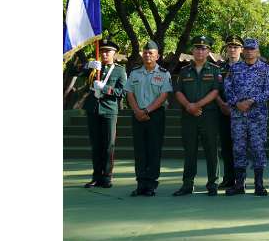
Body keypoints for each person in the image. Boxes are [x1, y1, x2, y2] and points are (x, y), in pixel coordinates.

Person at [223, 38, 269, 196]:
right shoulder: (235, 68)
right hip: (238, 115)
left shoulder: (265, 68)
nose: (249, 51)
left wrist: (252, 100)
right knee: (238, 149)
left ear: (257, 51)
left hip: (257, 116)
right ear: (243, 51)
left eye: (252, 49)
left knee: (258, 149)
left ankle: (259, 184)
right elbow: (227, 87)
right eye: (247, 49)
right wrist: (236, 103)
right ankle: (240, 184)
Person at [172, 35, 223, 197]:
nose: (200, 51)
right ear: (192, 51)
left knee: (211, 151)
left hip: (209, 116)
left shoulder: (215, 70)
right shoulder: (184, 70)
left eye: (203, 48)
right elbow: (178, 91)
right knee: (190, 151)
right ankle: (187, 184)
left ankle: (212, 184)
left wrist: (197, 105)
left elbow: (215, 91)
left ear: (208, 51)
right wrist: (188, 106)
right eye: (197, 48)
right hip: (189, 116)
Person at [124, 41, 173, 196]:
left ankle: (151, 184)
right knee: (139, 150)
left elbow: (163, 95)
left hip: (155, 115)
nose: (147, 55)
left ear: (157, 56)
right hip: (137, 114)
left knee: (153, 149)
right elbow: (129, 92)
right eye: (145, 52)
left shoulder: (164, 73)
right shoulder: (134, 72)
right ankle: (141, 183)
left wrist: (146, 110)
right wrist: (137, 111)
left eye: (151, 53)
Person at [81, 38, 127, 189]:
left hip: (109, 110)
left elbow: (122, 92)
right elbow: (76, 71)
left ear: (114, 53)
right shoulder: (94, 67)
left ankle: (106, 176)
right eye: (102, 51)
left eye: (108, 51)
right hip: (93, 109)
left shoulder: (120, 70)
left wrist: (106, 88)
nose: (105, 54)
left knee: (108, 145)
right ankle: (96, 176)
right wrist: (88, 65)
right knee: (96, 145)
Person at [215, 34, 243, 190]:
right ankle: (228, 178)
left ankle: (240, 179)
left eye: (236, 47)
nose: (232, 50)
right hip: (223, 111)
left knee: (240, 147)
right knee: (226, 146)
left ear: (241, 49)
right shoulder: (219, 68)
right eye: (230, 47)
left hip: (240, 113)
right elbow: (214, 89)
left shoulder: (247, 67)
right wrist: (222, 104)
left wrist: (234, 106)